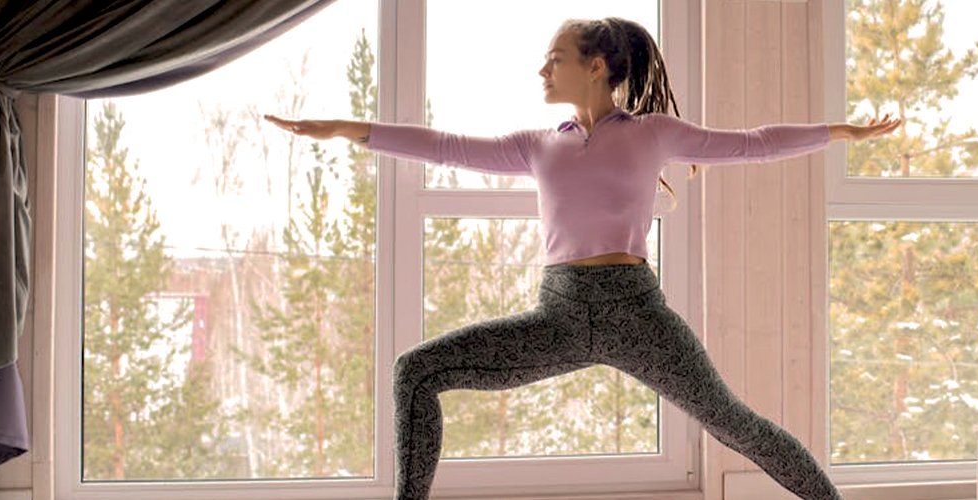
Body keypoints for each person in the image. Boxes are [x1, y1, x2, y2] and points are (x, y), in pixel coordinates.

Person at [266, 16, 901, 500]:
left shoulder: (651, 133)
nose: (543, 70)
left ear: (596, 67)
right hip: (560, 318)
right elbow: (443, 146)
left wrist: (841, 132)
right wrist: (347, 128)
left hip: (638, 316)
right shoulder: (539, 145)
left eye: (555, 60)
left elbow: (752, 145)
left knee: (734, 423)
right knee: (415, 372)